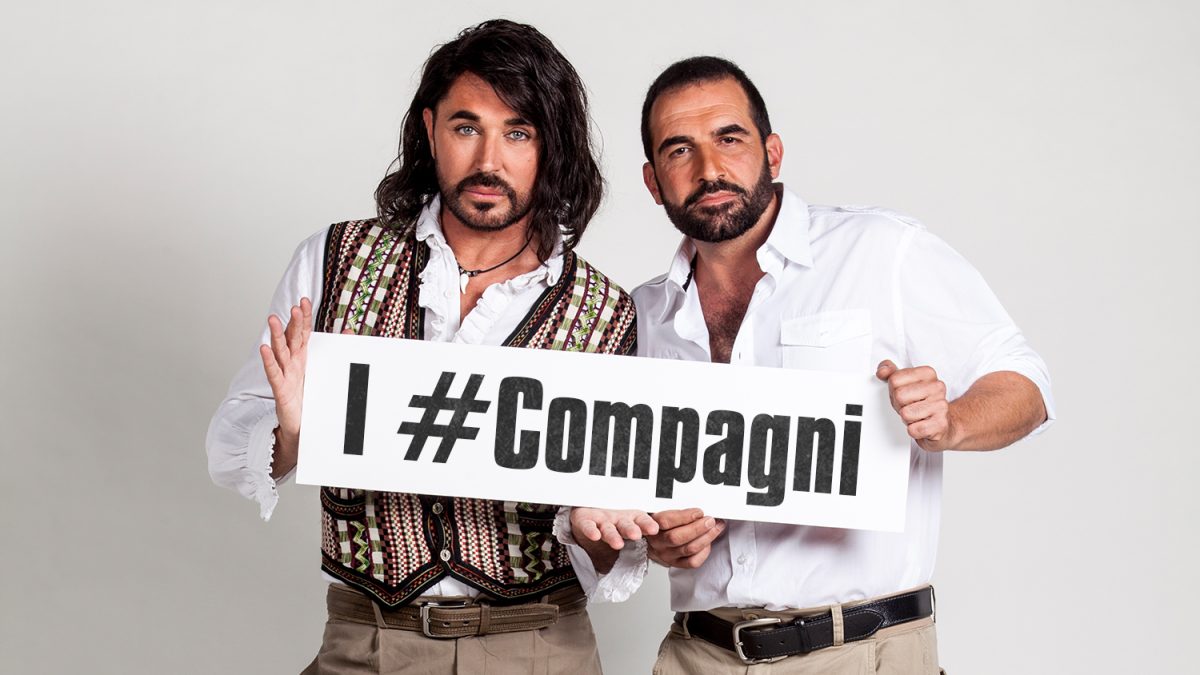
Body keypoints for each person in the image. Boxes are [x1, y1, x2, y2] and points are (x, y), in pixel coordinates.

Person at [565, 56, 1055, 673]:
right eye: (679, 150)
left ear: (772, 152)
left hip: (859, 649)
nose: (709, 169)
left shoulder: (880, 249)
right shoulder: (640, 315)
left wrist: (951, 421)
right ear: (653, 180)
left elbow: (1026, 385)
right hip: (696, 653)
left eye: (729, 138)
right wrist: (658, 539)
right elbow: (623, 497)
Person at [206, 20, 640, 674]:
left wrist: (597, 530)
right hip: (368, 641)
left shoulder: (606, 315)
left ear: (552, 147)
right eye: (467, 128)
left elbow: (610, 549)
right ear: (431, 129)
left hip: (538, 648)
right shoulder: (334, 260)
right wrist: (295, 433)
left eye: (518, 133)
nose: (489, 160)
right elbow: (231, 450)